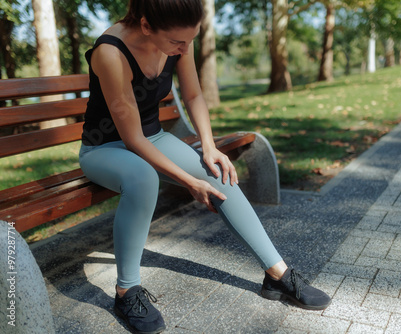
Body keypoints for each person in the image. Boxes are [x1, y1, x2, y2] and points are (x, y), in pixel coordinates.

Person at [79, 0, 331, 333]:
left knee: (219, 173)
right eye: (177, 43)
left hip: (153, 138)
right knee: (142, 179)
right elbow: (132, 139)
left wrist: (209, 148)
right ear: (145, 26)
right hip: (107, 149)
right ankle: (126, 292)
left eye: (190, 40)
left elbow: (194, 95)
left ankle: (277, 274)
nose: (184, 49)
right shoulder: (110, 53)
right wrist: (188, 182)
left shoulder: (178, 36)